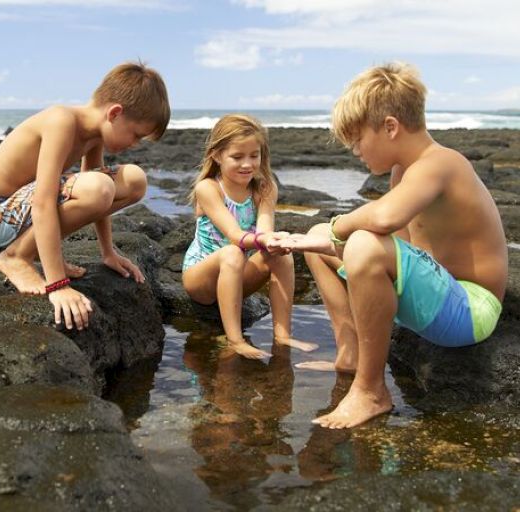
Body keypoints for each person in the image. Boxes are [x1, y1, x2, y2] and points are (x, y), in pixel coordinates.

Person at [271, 62, 508, 428]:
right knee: (318, 237)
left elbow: (381, 222)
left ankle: (370, 391)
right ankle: (350, 357)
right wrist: (321, 240)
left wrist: (340, 227)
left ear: (391, 127)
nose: (356, 151)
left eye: (357, 140)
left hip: (470, 308)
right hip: (436, 292)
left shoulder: (441, 163)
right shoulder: (403, 172)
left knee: (350, 238)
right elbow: (395, 249)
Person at [0, 61, 170, 331]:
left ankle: (32, 251)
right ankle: (16, 257)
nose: (133, 144)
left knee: (135, 180)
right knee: (99, 187)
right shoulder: (62, 121)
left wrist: (108, 252)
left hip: (24, 213)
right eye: (136, 135)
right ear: (114, 113)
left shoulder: (93, 134)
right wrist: (58, 285)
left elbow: (100, 199)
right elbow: (44, 200)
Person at [182, 114, 318, 359]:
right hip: (200, 278)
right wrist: (260, 240)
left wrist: (275, 241)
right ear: (217, 155)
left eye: (254, 156)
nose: (247, 164)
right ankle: (235, 340)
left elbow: (264, 229)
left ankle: (282, 335)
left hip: (235, 276)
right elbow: (235, 235)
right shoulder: (208, 188)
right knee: (233, 253)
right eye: (237, 157)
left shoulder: (265, 188)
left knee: (281, 256)